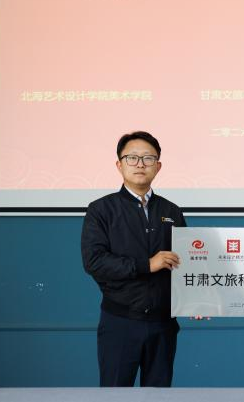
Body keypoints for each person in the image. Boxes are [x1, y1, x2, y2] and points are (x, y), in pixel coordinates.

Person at [81, 131, 186, 387]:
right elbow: (94, 262)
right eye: (132, 158)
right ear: (119, 165)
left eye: (148, 158)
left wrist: (195, 300)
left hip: (163, 324)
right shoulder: (101, 210)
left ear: (158, 166)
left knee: (159, 395)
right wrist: (147, 264)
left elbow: (186, 263)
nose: (140, 164)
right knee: (115, 394)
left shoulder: (171, 211)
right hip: (120, 322)